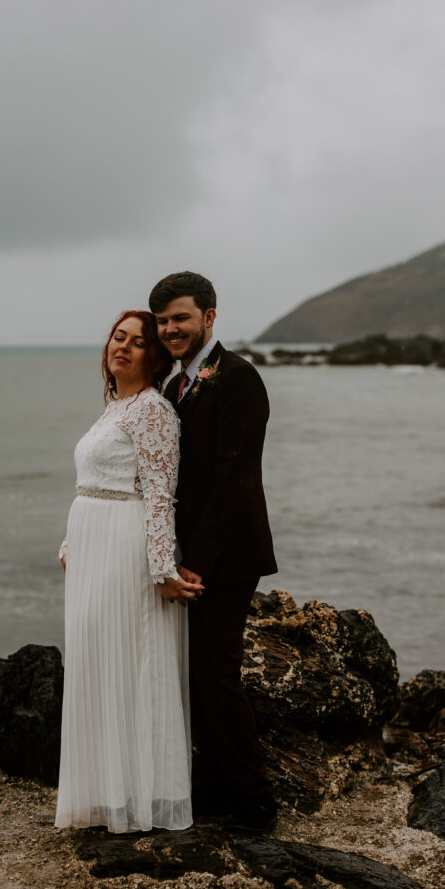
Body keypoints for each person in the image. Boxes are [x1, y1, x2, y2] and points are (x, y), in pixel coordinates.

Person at [55, 310, 202, 834]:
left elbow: (160, 493)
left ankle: (144, 796)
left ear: (154, 357)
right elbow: (93, 481)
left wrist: (162, 567)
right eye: (119, 337)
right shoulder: (114, 407)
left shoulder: (154, 411)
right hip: (94, 546)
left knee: (130, 660)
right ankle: (105, 791)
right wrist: (72, 542)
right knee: (97, 658)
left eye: (138, 343)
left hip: (126, 546)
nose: (124, 347)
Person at [149, 272, 279, 833]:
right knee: (192, 673)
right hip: (188, 554)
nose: (170, 329)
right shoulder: (175, 386)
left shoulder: (238, 377)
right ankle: (218, 786)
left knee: (215, 672)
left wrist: (193, 560)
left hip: (227, 556)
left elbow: (234, 479)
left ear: (210, 316)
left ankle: (255, 800)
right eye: (162, 321)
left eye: (180, 318)